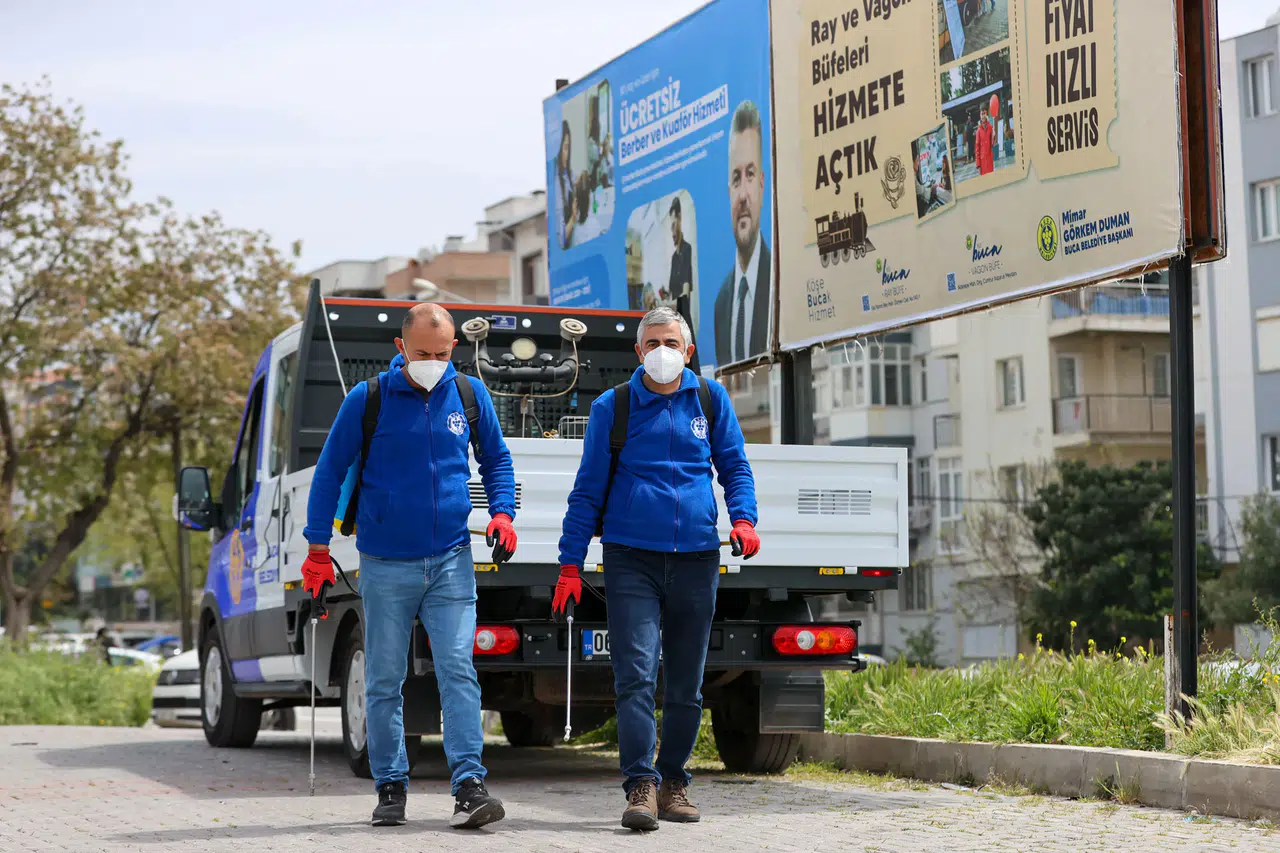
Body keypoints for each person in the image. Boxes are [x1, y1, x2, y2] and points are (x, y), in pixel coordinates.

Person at [300, 303, 517, 830]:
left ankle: (469, 785)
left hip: (451, 559)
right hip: (384, 563)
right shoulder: (367, 399)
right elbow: (328, 474)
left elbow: (496, 458)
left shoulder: (468, 394)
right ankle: (390, 787)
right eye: (423, 354)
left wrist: (504, 512)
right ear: (401, 348)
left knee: (458, 671)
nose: (434, 363)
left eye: (444, 354)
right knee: (384, 678)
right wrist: (316, 548)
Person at [553, 306, 761, 832]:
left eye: (672, 342)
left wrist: (744, 519)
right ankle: (640, 785)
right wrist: (569, 563)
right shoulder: (613, 406)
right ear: (639, 351)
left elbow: (734, 465)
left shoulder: (710, 400)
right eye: (653, 343)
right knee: (637, 675)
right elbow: (587, 489)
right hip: (631, 559)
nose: (663, 351)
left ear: (688, 351)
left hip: (696, 556)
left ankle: (675, 783)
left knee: (687, 682)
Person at [713, 100, 771, 366]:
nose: (744, 195)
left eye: (750, 175)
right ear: (728, 192)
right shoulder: (721, 303)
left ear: (762, 185)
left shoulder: (779, 284)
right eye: (737, 179)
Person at [667, 196, 696, 354]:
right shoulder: (673, 258)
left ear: (680, 219)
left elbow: (684, 295)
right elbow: (672, 292)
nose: (672, 232)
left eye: (674, 225)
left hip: (683, 325)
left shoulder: (687, 250)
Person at [555, 120, 578, 248]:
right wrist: (573, 218)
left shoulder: (566, 174)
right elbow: (560, 241)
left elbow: (574, 181)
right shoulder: (556, 187)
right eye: (564, 148)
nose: (567, 153)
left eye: (568, 147)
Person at [976, 105, 995, 176]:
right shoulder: (978, 131)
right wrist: (978, 163)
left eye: (984, 113)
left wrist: (993, 135)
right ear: (980, 116)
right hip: (982, 160)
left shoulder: (990, 127)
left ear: (986, 114)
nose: (983, 116)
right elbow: (977, 147)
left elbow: (992, 144)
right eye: (981, 114)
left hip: (989, 158)